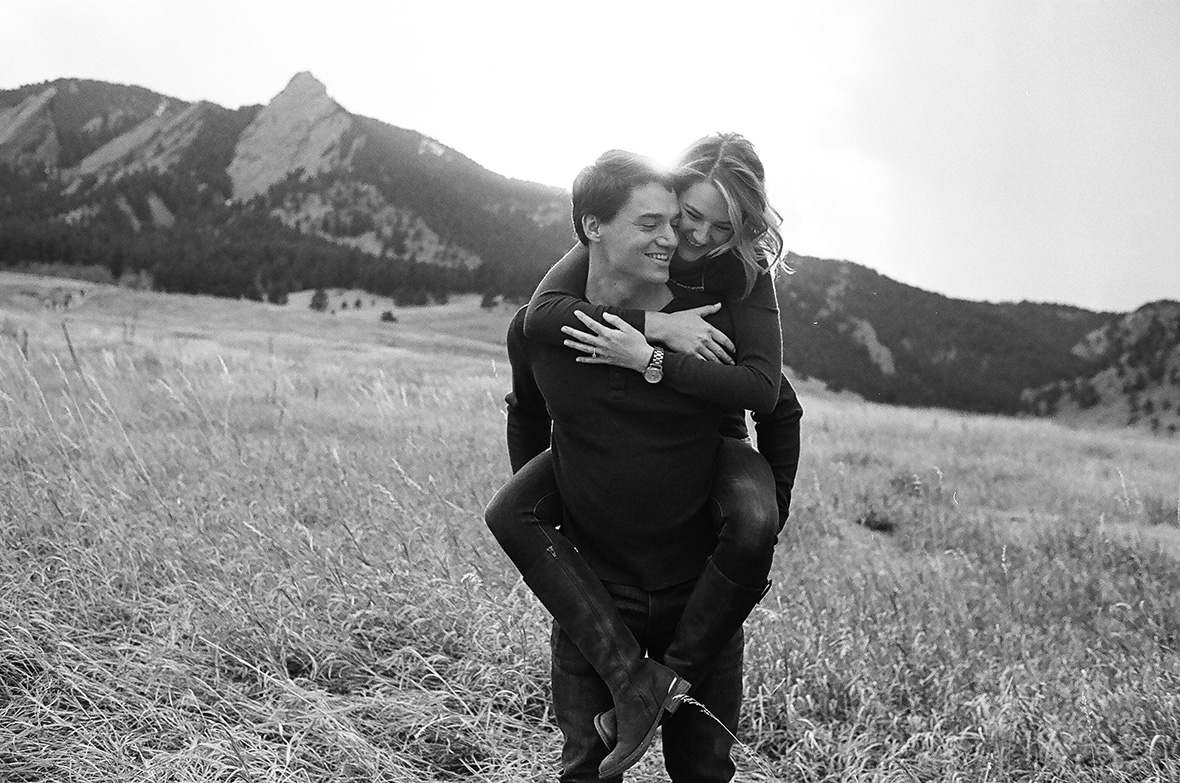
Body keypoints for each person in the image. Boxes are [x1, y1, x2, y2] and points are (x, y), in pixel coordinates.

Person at [486, 142, 800, 781]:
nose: (689, 240)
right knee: (585, 768)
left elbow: (773, 400)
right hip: (599, 595)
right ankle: (639, 683)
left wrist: (769, 519)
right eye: (665, 222)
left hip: (696, 590)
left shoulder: (723, 305)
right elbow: (527, 404)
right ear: (595, 230)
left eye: (722, 227)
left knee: (705, 771)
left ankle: (666, 680)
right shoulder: (548, 324)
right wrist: (650, 330)